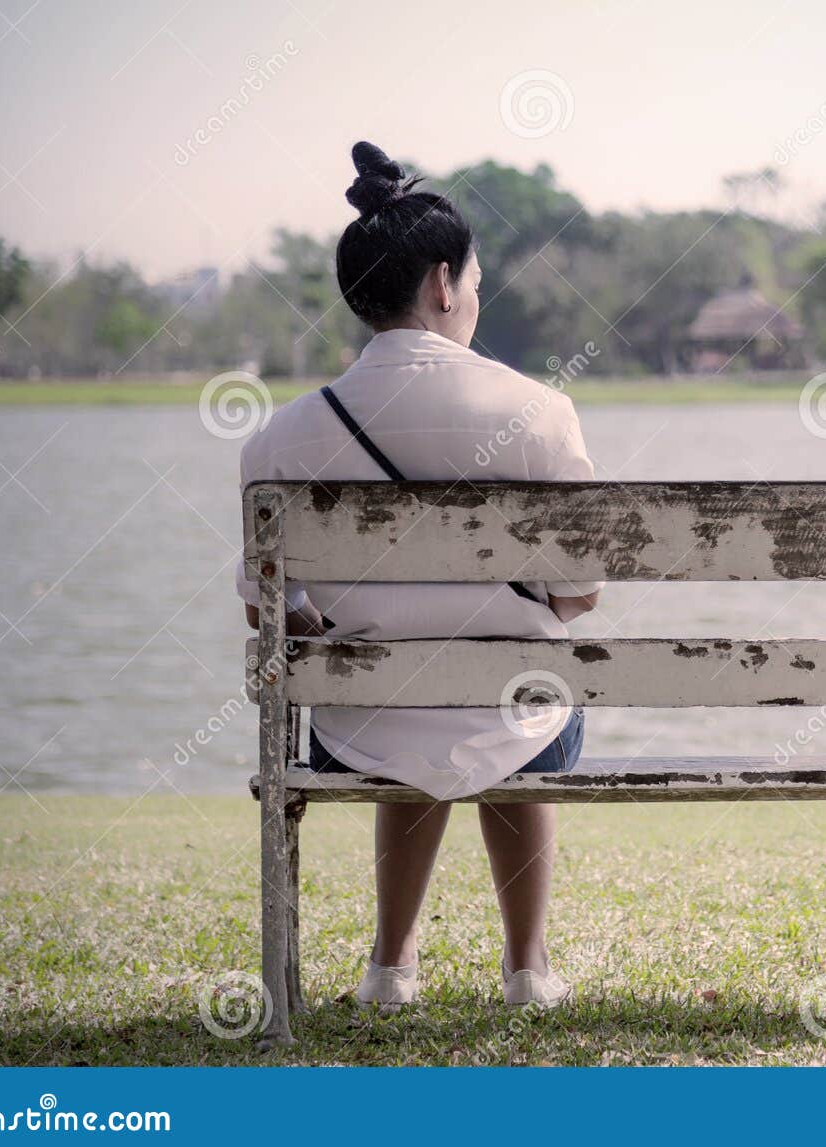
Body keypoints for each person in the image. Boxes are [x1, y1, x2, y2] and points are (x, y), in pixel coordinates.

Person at [235, 141, 601, 1013]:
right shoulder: (539, 411)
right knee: (521, 700)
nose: (474, 298)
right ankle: (526, 971)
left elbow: (273, 614)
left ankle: (390, 969)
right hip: (518, 713)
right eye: (473, 282)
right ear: (443, 284)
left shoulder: (277, 439)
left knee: (409, 705)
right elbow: (579, 593)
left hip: (362, 725)